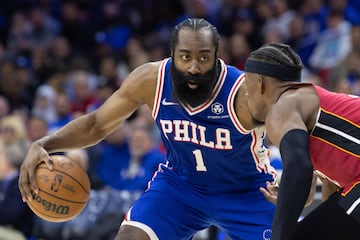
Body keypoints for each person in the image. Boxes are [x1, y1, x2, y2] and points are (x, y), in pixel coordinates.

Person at [19, 18, 277, 240]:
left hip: (246, 191)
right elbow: (97, 124)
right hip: (181, 186)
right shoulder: (151, 80)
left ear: (217, 56)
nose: (194, 67)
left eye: (204, 58)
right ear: (173, 54)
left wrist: (307, 174)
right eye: (185, 56)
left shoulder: (244, 92)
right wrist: (43, 144)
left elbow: (297, 127)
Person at [242, 42, 360, 240]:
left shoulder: (282, 105)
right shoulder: (306, 107)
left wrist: (279, 235)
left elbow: (298, 168)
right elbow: (329, 196)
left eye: (247, 83)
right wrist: (290, 196)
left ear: (260, 83)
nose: (246, 93)